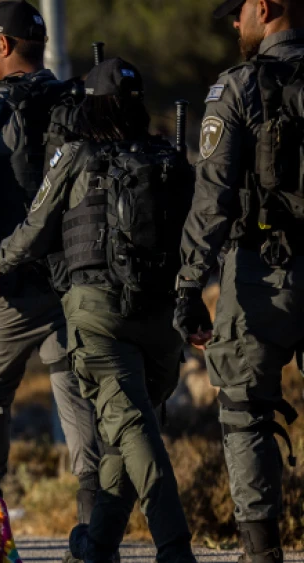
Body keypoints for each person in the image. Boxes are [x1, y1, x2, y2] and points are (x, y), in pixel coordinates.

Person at [0, 58, 197, 563]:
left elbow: (36, 227)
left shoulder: (75, 155)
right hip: (160, 316)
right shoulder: (166, 157)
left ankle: (175, 546)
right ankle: (96, 544)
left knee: (133, 432)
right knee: (131, 429)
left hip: (99, 316)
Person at [0, 0, 102, 514]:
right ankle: (93, 535)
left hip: (3, 290)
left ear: (6, 45)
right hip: (69, 285)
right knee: (78, 405)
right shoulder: (76, 99)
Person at [178, 1, 304, 560]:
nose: (235, 24)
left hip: (262, 272)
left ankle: (262, 553)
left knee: (243, 410)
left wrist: (187, 287)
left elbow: (212, 198)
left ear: (264, 6)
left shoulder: (239, 86)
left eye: (238, 13)